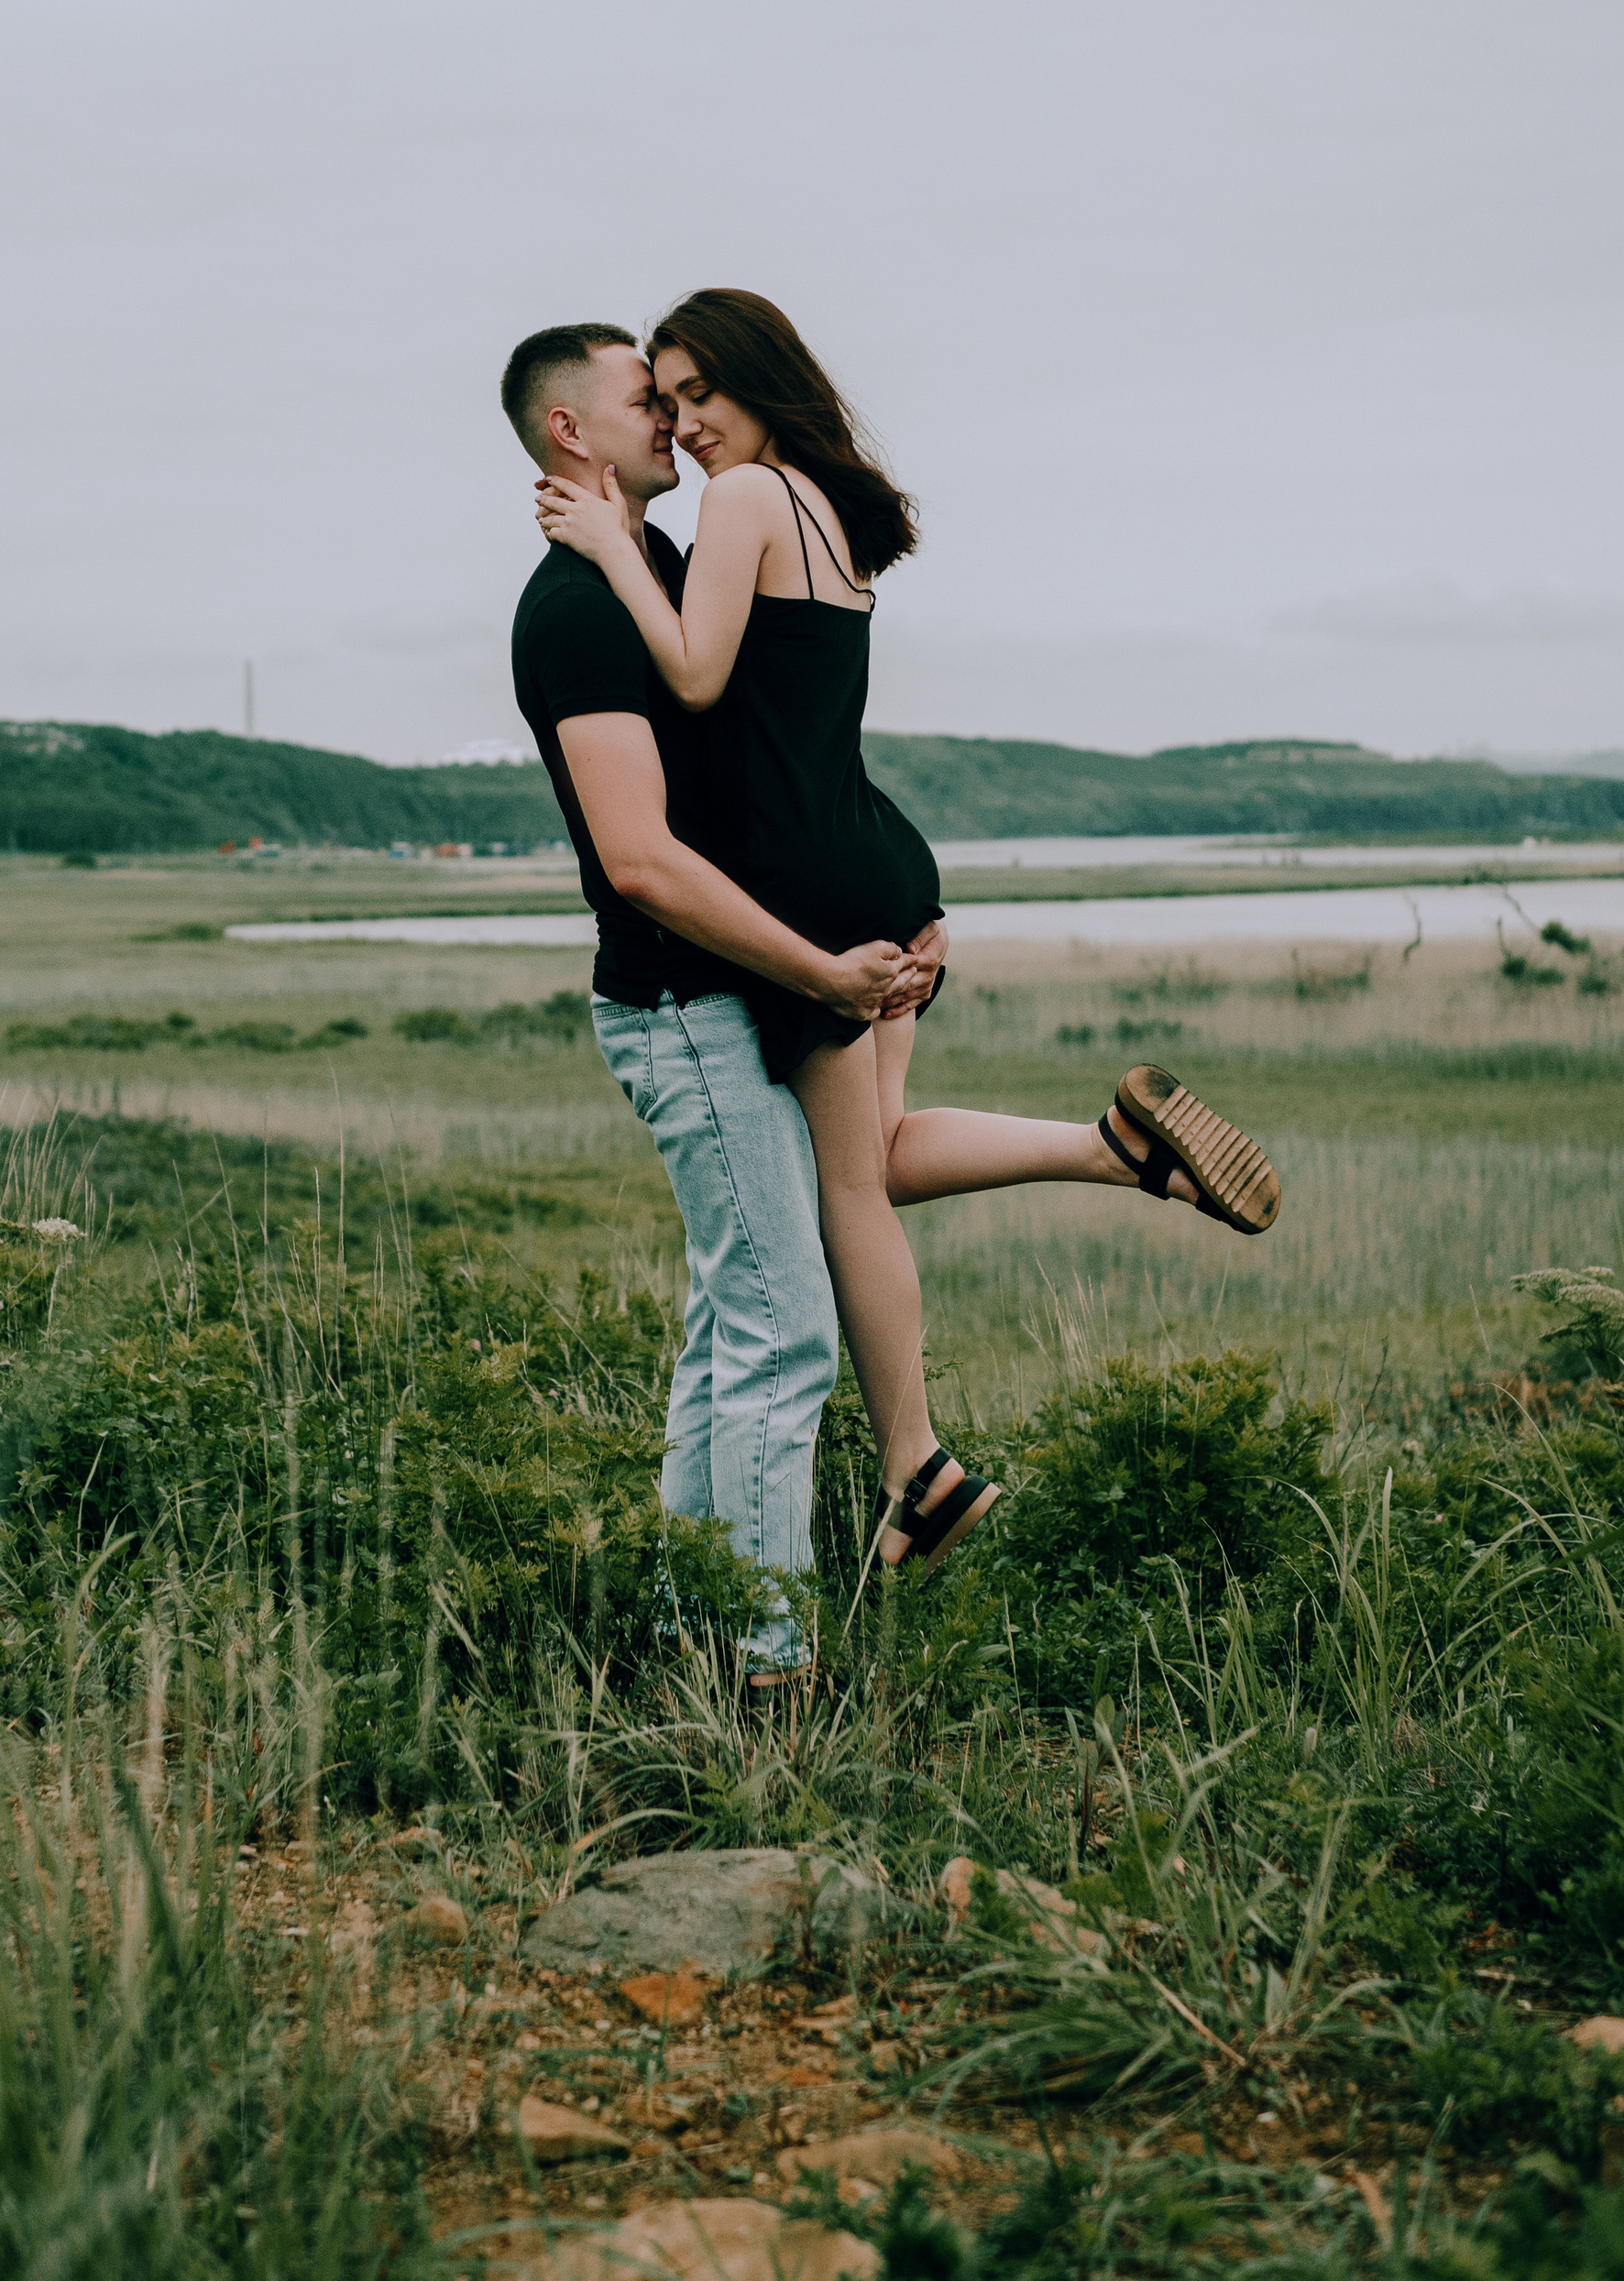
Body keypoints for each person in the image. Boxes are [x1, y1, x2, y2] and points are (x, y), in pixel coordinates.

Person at [535, 286, 1282, 1574]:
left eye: (701, 393)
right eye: (668, 398)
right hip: (877, 851)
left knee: (845, 1189)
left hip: (812, 890)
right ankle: (1111, 1147)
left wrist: (609, 549)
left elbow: (702, 677)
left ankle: (916, 1465)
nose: (689, 422)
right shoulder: (837, 511)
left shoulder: (746, 500)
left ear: (764, 383)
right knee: (874, 1154)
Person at [502, 321, 937, 1690]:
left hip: (737, 998)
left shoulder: (661, 568)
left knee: (730, 1322)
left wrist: (875, 890)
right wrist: (821, 971)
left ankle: (693, 1629)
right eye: (650, 400)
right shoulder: (574, 608)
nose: (678, 424)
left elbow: (776, 753)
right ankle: (764, 1662)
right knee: (779, 1325)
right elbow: (641, 861)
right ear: (572, 431)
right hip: (686, 1008)